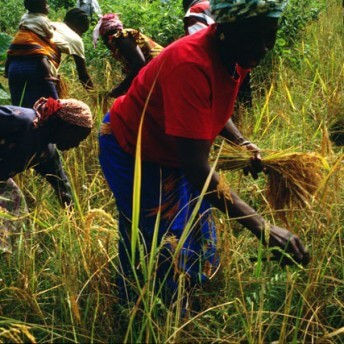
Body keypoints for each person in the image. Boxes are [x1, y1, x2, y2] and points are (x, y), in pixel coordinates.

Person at [98, 0, 310, 306]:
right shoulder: (190, 64)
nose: (263, 48)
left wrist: (242, 142)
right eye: (255, 38)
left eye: (270, 37)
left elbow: (213, 103)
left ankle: (195, 287)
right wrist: (262, 227)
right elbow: (196, 169)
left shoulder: (237, 52)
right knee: (152, 237)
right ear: (223, 29)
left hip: (174, 147)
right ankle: (145, 309)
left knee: (196, 220)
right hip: (134, 148)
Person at [0, 97, 93, 253]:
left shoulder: (46, 153)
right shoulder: (21, 120)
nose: (76, 145)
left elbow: (62, 186)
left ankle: (14, 254)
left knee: (14, 201)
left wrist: (75, 221)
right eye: (77, 137)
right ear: (64, 125)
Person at [5, 7, 93, 108]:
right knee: (51, 113)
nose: (80, 35)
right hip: (38, 70)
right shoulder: (76, 39)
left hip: (14, 66)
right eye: (81, 31)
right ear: (76, 22)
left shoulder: (49, 24)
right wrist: (96, 95)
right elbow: (83, 75)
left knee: (20, 112)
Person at [93, 13, 164, 98]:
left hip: (162, 69)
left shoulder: (120, 37)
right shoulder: (122, 40)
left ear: (106, 35)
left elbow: (139, 64)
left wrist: (120, 89)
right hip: (160, 70)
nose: (104, 42)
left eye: (103, 38)